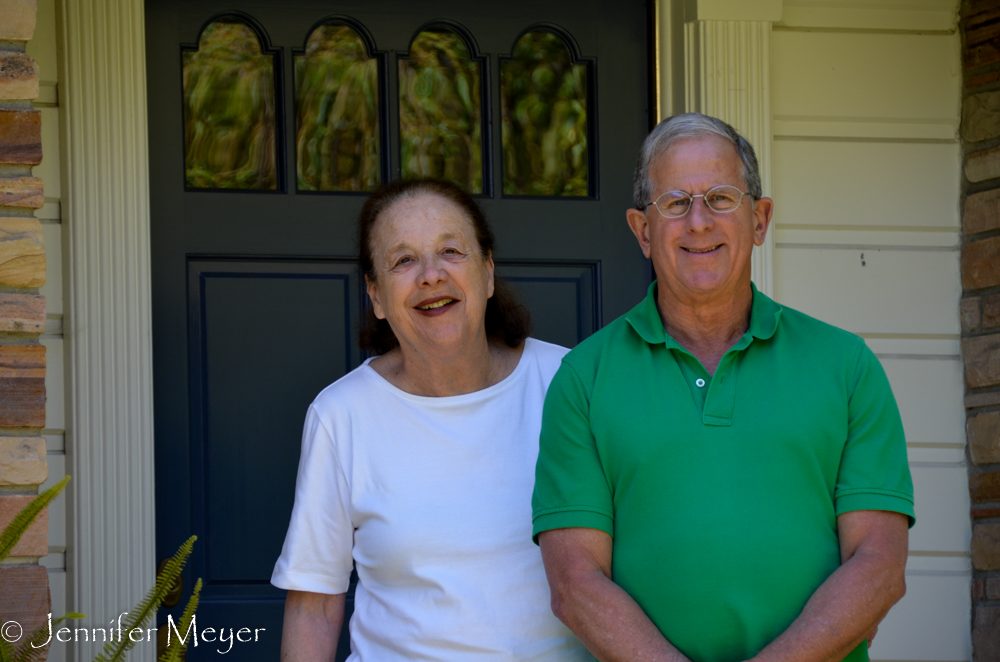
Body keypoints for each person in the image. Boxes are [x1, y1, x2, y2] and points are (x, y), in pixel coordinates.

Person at [531, 113, 914, 662]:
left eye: (721, 198)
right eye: (675, 203)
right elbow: (574, 583)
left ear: (759, 220)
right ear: (642, 230)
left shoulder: (845, 366)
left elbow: (878, 566)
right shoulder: (585, 379)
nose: (699, 223)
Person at [272, 178, 590, 662]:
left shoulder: (569, 385)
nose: (430, 275)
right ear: (376, 296)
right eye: (403, 260)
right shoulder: (341, 416)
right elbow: (314, 606)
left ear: (487, 271)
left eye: (450, 250)